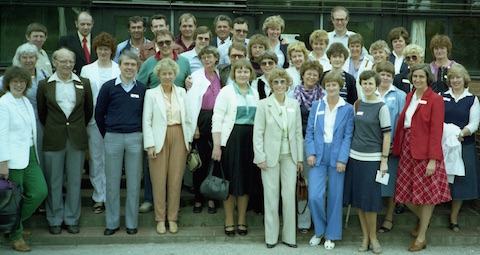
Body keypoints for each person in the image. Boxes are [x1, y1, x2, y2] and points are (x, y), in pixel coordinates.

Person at [393, 63, 451, 251]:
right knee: (404, 194)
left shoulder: (435, 100)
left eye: (421, 77)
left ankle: (422, 237)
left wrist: (433, 159)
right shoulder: (410, 96)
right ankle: (425, 220)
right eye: (415, 76)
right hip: (408, 150)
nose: (417, 80)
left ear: (428, 79)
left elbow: (436, 131)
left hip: (426, 152)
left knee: (426, 196)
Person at [37, 48, 94, 235]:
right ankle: (54, 219)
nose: (68, 65)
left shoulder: (84, 83)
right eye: (63, 61)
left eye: (70, 61)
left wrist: (75, 128)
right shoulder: (45, 85)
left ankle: (71, 218)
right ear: (54, 62)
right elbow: (42, 113)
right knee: (53, 180)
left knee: (74, 180)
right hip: (54, 138)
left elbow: (88, 111)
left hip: (76, 138)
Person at [95, 51, 146, 236]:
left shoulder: (142, 88)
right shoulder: (108, 87)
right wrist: (108, 133)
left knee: (133, 183)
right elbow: (99, 114)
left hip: (135, 138)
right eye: (126, 64)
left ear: (137, 67)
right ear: (120, 66)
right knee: (112, 182)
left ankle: (131, 223)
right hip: (113, 137)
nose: (130, 67)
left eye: (133, 64)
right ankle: (112, 223)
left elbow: (145, 114)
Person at [253, 68, 303, 249]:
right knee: (271, 196)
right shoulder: (263, 104)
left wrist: (300, 159)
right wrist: (260, 157)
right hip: (269, 157)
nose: (279, 85)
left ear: (288, 84)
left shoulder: (294, 104)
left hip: (290, 156)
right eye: (276, 82)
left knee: (289, 196)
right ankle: (271, 237)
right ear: (271, 85)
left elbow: (298, 132)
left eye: (282, 82)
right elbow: (257, 133)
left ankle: (290, 237)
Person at [0, 66, 48, 252]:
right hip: (12, 158)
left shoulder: (26, 102)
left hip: (30, 154)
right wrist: (3, 162)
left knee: (39, 191)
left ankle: (14, 222)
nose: (19, 85)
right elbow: (1, 134)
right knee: (14, 198)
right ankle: (15, 236)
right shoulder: (4, 103)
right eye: (15, 82)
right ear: (8, 84)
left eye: (22, 82)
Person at [305, 71, 354, 250]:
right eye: (328, 85)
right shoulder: (317, 105)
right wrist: (310, 153)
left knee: (334, 196)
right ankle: (319, 230)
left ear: (339, 87)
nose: (331, 88)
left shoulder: (347, 108)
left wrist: (343, 158)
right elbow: (309, 131)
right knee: (315, 196)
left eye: (334, 85)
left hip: (337, 155)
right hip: (317, 154)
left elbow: (348, 136)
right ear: (324, 87)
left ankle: (331, 235)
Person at [143, 58, 192, 234]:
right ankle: (160, 219)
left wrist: (189, 140)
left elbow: (187, 118)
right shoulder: (151, 94)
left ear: (175, 75)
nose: (167, 76)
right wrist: (150, 145)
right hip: (158, 140)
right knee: (158, 180)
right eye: (163, 74)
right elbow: (147, 121)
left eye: (170, 73)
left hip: (179, 135)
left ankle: (172, 218)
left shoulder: (181, 92)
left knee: (175, 179)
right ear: (158, 75)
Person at [343, 70, 391, 254]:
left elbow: (387, 135)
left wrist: (384, 161)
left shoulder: (382, 107)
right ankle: (365, 236)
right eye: (364, 83)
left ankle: (374, 238)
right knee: (359, 202)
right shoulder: (357, 104)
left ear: (376, 85)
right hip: (355, 158)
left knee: (370, 202)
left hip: (373, 160)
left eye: (371, 83)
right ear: (360, 85)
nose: (367, 86)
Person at [211, 59, 259, 237]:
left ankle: (242, 220)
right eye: (239, 71)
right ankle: (229, 219)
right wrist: (217, 145)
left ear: (250, 74)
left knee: (246, 180)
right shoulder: (226, 92)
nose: (242, 74)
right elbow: (217, 119)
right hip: (231, 141)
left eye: (246, 71)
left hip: (250, 142)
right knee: (230, 181)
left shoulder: (255, 92)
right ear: (234, 73)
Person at [80, 32, 121, 214]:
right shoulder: (87, 70)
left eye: (106, 49)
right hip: (93, 120)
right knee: (96, 160)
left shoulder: (119, 69)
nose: (103, 52)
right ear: (95, 50)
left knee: (112, 160)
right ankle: (98, 197)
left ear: (112, 51)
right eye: (100, 49)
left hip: (114, 120)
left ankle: (111, 196)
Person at [441, 64, 480, 232]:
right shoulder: (442, 96)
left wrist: (461, 133)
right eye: (452, 78)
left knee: (460, 182)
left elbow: (474, 123)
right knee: (441, 178)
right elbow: (436, 119)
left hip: (464, 145)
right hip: (443, 144)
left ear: (464, 79)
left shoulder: (472, 99)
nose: (455, 80)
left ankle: (453, 217)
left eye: (458, 77)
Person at [187, 46, 224, 214]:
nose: (207, 59)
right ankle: (198, 199)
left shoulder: (220, 76)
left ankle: (211, 198)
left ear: (216, 58)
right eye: (204, 57)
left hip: (218, 120)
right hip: (201, 119)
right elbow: (190, 104)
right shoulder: (195, 76)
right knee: (200, 162)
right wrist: (194, 126)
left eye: (210, 56)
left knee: (215, 160)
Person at [293, 60, 325, 234]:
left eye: (315, 74)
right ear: (302, 75)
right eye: (309, 73)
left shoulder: (325, 95)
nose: (312, 77)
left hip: (321, 145)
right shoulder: (294, 94)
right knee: (303, 182)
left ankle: (318, 219)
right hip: (302, 142)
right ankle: (304, 221)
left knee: (319, 184)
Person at [374, 61, 406, 234]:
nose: (385, 78)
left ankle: (389, 217)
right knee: (374, 182)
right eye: (382, 74)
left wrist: (397, 143)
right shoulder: (370, 92)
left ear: (392, 77)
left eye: (388, 75)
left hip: (392, 146)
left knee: (391, 182)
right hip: (372, 146)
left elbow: (401, 122)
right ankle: (373, 213)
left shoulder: (399, 95)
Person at [10, 44, 50, 174]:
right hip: (19, 122)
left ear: (36, 58)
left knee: (40, 154)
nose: (28, 60)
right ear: (19, 59)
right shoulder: (12, 76)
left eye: (31, 57)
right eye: (24, 57)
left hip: (41, 122)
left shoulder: (45, 75)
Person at [343, 33, 373, 99]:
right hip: (346, 97)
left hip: (362, 98)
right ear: (348, 47)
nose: (354, 49)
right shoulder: (343, 62)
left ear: (361, 47)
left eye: (357, 46)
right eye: (352, 46)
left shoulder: (368, 64)